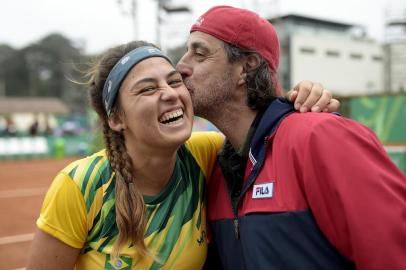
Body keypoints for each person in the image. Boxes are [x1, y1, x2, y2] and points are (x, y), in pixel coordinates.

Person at [26, 41, 335, 269]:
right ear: (117, 119)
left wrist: (300, 100)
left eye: (174, 81)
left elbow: (262, 127)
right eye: (147, 89)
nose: (171, 93)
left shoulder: (206, 154)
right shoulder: (80, 185)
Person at [176, 5, 406, 270]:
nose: (181, 66)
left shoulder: (320, 137)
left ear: (246, 67)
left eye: (199, 53)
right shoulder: (216, 171)